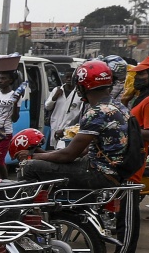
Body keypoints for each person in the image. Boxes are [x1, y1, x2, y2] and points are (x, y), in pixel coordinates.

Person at [19, 60, 127, 192]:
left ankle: (30, 210)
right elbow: (82, 151)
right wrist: (46, 154)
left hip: (98, 173)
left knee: (29, 167)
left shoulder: (96, 112)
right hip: (115, 172)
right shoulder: (119, 107)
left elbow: (68, 155)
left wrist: (32, 156)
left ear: (83, 87)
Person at [0, 71, 22, 175]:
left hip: (5, 132)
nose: (0, 80)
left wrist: (15, 103)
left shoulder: (15, 95)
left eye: (3, 78)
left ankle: (6, 183)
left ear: (10, 81)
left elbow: (15, 119)